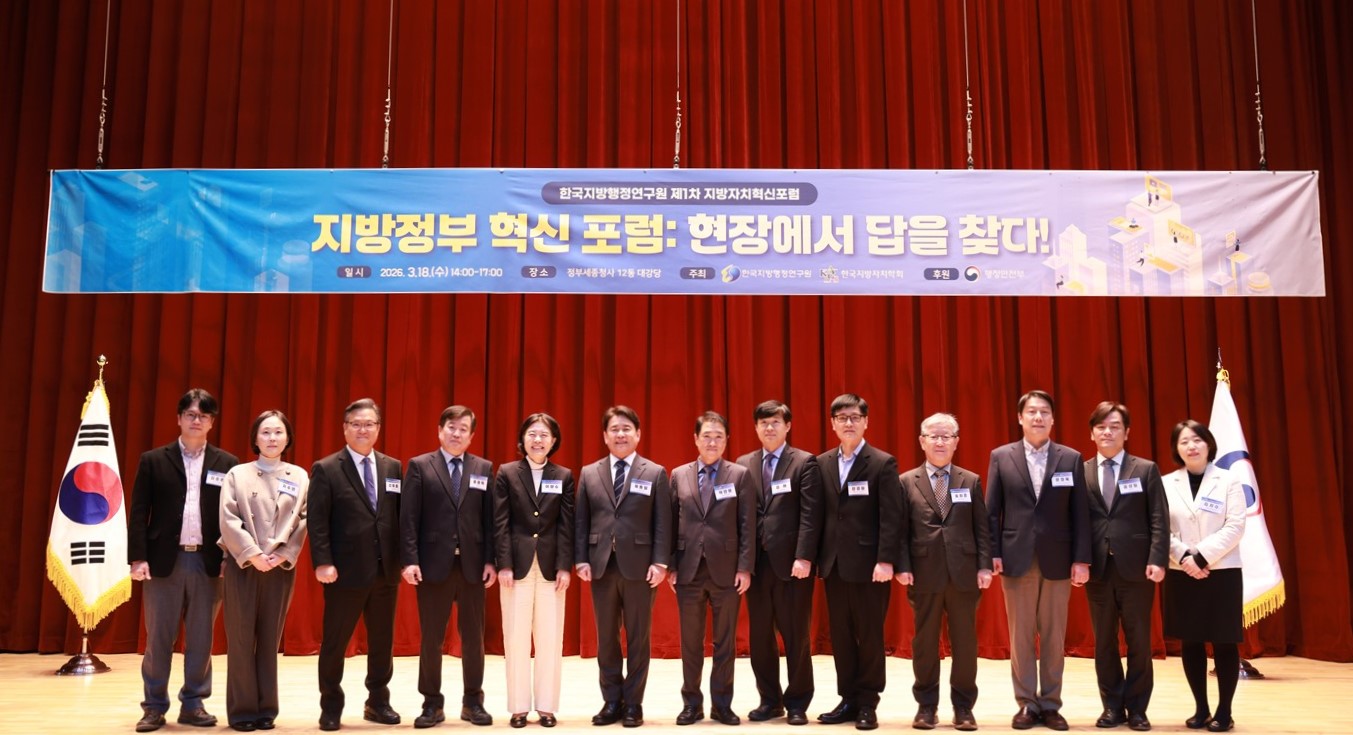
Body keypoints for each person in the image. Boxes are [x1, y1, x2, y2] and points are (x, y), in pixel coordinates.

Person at [127, 389, 239, 733]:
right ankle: (154, 706)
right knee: (159, 638)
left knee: (202, 639)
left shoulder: (227, 463)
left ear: (212, 422)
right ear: (178, 418)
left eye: (203, 416)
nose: (196, 420)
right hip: (165, 561)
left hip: (208, 562)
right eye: (190, 414)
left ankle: (193, 704)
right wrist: (137, 558)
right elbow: (139, 512)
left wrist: (229, 556)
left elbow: (233, 517)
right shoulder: (153, 460)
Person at [985, 390, 1090, 731]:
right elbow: (991, 511)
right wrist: (993, 552)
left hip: (1058, 559)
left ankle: (1051, 704)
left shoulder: (1070, 458)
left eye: (1044, 411)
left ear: (1053, 419)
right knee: (1020, 636)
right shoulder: (1001, 456)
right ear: (1020, 418)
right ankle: (1027, 704)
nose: (1038, 417)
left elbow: (1080, 513)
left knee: (1054, 636)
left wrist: (1081, 559)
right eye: (1031, 411)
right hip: (1015, 557)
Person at [308, 398, 404, 732]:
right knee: (335, 643)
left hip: (385, 571)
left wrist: (404, 560)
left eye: (369, 424)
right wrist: (323, 561)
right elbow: (317, 520)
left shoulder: (393, 467)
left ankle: (377, 701)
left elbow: (398, 517)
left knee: (382, 643)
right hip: (344, 572)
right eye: (356, 424)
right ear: (345, 428)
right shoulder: (327, 468)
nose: (363, 429)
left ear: (378, 428)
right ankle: (330, 706)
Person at [574, 405, 673, 728]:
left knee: (639, 638)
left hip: (641, 568)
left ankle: (633, 703)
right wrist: (581, 558)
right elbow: (581, 521)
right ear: (605, 436)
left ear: (638, 434)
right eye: (614, 429)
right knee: (606, 638)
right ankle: (611, 700)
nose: (620, 434)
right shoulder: (590, 473)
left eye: (626, 429)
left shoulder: (654, 472)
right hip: (601, 566)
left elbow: (663, 522)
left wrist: (660, 562)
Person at [401, 405, 497, 728]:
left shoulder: (483, 468)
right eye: (451, 427)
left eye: (463, 429)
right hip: (432, 566)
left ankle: (473, 701)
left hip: (472, 566)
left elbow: (489, 520)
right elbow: (408, 518)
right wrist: (410, 560)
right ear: (440, 431)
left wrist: (491, 560)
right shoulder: (420, 466)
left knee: (474, 639)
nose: (457, 433)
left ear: (472, 436)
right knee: (431, 638)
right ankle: (431, 703)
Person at [895, 413, 992, 732]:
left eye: (946, 436)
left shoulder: (971, 480)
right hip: (924, 572)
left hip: (963, 573)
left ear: (956, 442)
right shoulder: (906, 481)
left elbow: (982, 527)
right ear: (921, 441)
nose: (939, 441)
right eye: (933, 436)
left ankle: (963, 707)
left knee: (965, 643)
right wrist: (903, 566)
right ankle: (926, 706)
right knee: (924, 643)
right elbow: (900, 530)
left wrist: (984, 565)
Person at [814, 393, 903, 731]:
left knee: (869, 635)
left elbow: (892, 517)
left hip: (870, 567)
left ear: (866, 421)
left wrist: (886, 560)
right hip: (834, 565)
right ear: (833, 424)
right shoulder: (822, 463)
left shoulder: (882, 463)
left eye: (854, 417)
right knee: (841, 635)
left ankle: (868, 702)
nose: (848, 423)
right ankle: (848, 698)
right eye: (842, 418)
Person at [218, 410, 309, 732]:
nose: (272, 438)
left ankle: (267, 709)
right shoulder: (237, 474)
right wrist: (253, 554)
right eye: (266, 432)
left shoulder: (299, 476)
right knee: (241, 640)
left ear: (288, 438)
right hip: (243, 565)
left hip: (279, 567)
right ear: (255, 438)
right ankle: (242, 712)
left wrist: (282, 554)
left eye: (278, 432)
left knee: (270, 640)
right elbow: (228, 519)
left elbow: (304, 519)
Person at [735, 400, 822, 726]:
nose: (769, 427)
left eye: (775, 422)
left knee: (796, 635)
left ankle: (797, 702)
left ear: (788, 426)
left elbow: (811, 515)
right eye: (763, 423)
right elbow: (741, 516)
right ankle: (770, 701)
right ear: (756, 428)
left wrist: (804, 556)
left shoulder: (804, 462)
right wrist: (742, 561)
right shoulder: (744, 464)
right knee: (760, 638)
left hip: (792, 565)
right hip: (757, 565)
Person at [1083, 403, 1168, 731]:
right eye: (1101, 427)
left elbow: (1158, 517)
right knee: (1104, 642)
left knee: (1139, 641)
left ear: (1127, 432)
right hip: (1098, 570)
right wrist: (1078, 561)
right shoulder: (1081, 471)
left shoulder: (1145, 469)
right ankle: (1112, 707)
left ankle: (1138, 709)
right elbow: (1077, 522)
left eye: (1115, 426)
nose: (1108, 432)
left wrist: (1157, 558)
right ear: (1092, 434)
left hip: (1137, 568)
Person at [668, 411, 755, 727]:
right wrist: (672, 566)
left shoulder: (740, 475)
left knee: (725, 642)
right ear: (695, 439)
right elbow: (670, 522)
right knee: (691, 643)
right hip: (688, 571)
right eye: (707, 435)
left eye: (719, 436)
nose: (712, 442)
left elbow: (747, 524)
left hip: (727, 572)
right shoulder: (679, 475)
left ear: (727, 439)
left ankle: (722, 705)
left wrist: (744, 567)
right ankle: (691, 704)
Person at [1161, 420, 1245, 733]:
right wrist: (1185, 557)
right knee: (1191, 640)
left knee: (1224, 641)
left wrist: (1201, 557)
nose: (1191, 446)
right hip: (1181, 571)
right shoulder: (1166, 483)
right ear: (1176, 448)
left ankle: (1224, 712)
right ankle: (1201, 708)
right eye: (1184, 441)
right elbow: (1160, 528)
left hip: (1221, 571)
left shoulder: (1229, 479)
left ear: (1208, 444)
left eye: (1197, 440)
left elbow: (1235, 525)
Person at [492, 413, 574, 729]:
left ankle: (547, 707)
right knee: (515, 638)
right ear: (523, 438)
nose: (537, 440)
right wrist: (504, 564)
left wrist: (565, 566)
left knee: (550, 638)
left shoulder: (564, 476)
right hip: (516, 567)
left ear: (554, 441)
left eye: (544, 435)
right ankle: (518, 708)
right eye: (532, 434)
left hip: (552, 568)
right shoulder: (507, 473)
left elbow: (566, 525)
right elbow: (500, 522)